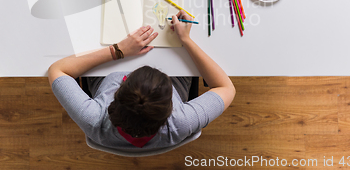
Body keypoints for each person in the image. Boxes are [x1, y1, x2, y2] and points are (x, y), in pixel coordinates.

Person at [48, 10, 236, 150]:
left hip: (105, 74)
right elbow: (226, 87)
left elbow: (57, 69)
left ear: (118, 91)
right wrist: (186, 39)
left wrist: (118, 50)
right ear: (170, 108)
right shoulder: (181, 122)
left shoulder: (93, 119)